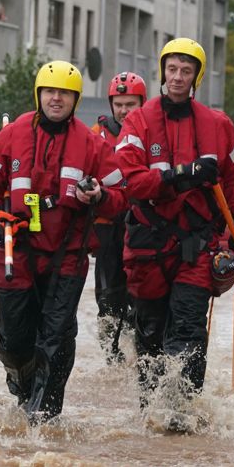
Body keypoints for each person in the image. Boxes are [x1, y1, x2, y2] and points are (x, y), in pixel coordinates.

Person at [0, 60, 127, 424]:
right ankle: (22, 385)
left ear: (75, 99)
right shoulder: (12, 135)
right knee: (14, 341)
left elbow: (122, 194)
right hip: (16, 253)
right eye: (50, 92)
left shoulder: (91, 143)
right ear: (39, 94)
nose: (56, 99)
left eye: (64, 94)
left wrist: (100, 196)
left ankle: (45, 418)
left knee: (55, 341)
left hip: (67, 257)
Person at [114, 38, 234, 420]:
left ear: (196, 77)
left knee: (188, 328)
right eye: (172, 69)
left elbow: (232, 180)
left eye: (185, 71)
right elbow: (132, 181)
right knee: (151, 332)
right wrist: (182, 175)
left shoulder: (219, 125)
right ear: (162, 72)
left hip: (197, 242)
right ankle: (150, 411)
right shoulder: (137, 121)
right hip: (147, 243)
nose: (177, 77)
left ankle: (183, 410)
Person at [89, 71, 146, 364]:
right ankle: (111, 359)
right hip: (108, 227)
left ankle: (140, 351)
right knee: (108, 295)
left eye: (130, 104)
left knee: (142, 294)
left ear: (141, 103)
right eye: (119, 104)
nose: (124, 111)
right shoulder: (95, 135)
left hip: (142, 224)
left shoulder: (149, 131)